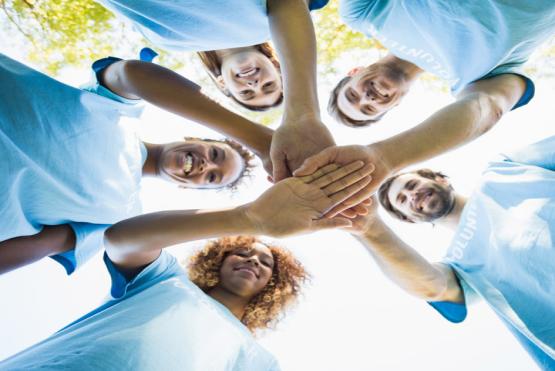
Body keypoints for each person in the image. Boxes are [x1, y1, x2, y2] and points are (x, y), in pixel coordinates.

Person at [0, 160, 371, 370]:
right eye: (243, 252)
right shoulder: (164, 281)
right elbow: (121, 239)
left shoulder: (259, 361)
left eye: (265, 263)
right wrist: (250, 217)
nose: (252, 261)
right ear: (220, 260)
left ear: (273, 286)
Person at [0, 50, 279, 275]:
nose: (207, 165)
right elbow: (131, 74)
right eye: (215, 154)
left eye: (212, 178)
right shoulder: (121, 108)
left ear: (191, 189)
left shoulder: (122, 217)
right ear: (197, 137)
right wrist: (261, 141)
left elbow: (41, 245)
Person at [343, 136, 555, 368]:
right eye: (403, 201)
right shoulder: (460, 266)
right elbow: (433, 288)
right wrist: (370, 229)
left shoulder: (504, 169)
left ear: (440, 179)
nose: (412, 196)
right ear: (410, 219)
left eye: (411, 185)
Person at [95, 0, 342, 183]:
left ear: (223, 85)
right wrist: (302, 114)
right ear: (278, 65)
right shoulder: (280, 19)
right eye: (269, 85)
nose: (254, 85)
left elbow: (131, 76)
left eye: (246, 94)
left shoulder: (168, 40)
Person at [329, 0, 555, 127]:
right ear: (394, 105)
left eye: (352, 95)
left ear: (354, 71)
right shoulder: (470, 83)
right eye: (369, 109)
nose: (367, 99)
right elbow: (486, 109)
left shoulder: (362, 15)